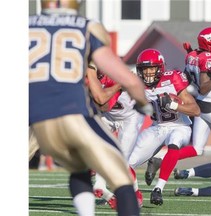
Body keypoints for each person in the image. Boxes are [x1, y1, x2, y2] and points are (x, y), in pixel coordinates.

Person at [29, 1, 153, 215]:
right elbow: (128, 83)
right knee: (121, 178)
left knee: (79, 167)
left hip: (37, 118)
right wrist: (144, 104)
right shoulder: (87, 27)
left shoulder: (27, 26)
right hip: (73, 114)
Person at [128, 48, 200, 206]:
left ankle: (158, 189)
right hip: (158, 127)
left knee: (174, 143)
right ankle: (135, 195)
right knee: (127, 164)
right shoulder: (137, 84)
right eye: (144, 69)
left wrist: (173, 105)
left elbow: (195, 110)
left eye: (151, 69)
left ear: (160, 69)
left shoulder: (172, 78)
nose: (148, 73)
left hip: (179, 126)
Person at [144, 27, 211, 186]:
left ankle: (160, 159)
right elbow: (204, 86)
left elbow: (186, 79)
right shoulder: (208, 58)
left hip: (201, 105)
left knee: (197, 149)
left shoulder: (192, 56)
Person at [86, 64, 145, 209]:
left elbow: (105, 105)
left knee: (121, 159)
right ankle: (99, 184)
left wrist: (118, 85)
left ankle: (135, 192)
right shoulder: (86, 75)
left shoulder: (114, 74)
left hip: (129, 117)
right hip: (108, 116)